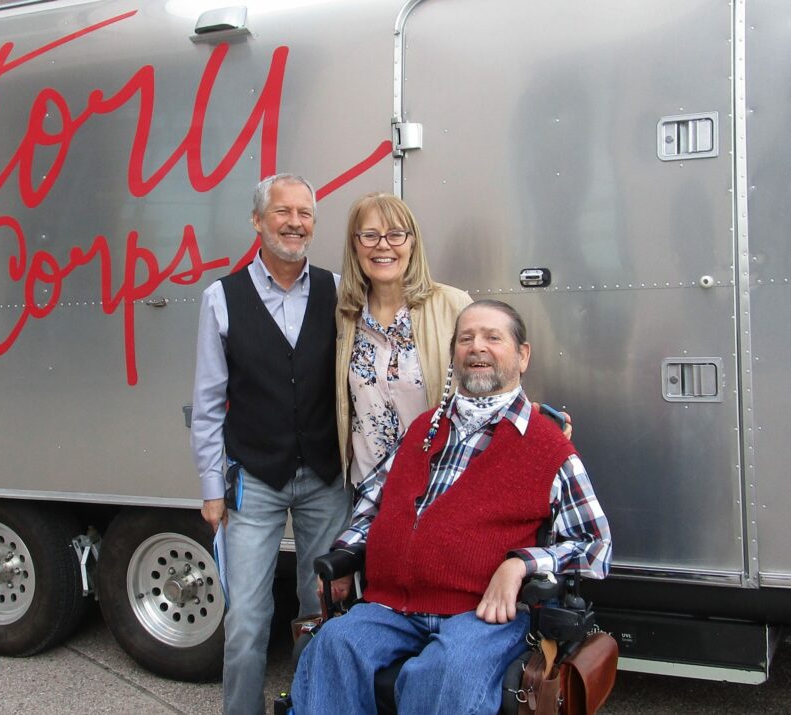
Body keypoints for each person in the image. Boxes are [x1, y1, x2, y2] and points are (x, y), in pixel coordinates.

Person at [292, 299, 612, 715]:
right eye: (466, 338)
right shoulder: (423, 428)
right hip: (392, 605)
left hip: (479, 614)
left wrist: (522, 564)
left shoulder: (547, 446)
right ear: (454, 354)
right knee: (334, 647)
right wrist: (346, 553)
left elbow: (595, 545)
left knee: (447, 671)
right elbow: (373, 504)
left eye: (492, 337)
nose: (477, 347)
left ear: (523, 355)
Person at [190, 174, 352, 714]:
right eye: (283, 212)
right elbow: (209, 403)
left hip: (325, 480)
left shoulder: (338, 291)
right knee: (246, 620)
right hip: (254, 480)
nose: (295, 223)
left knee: (323, 609)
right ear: (258, 221)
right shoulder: (223, 297)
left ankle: (309, 705)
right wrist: (213, 489)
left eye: (305, 213)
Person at [335, 193, 472, 485]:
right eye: (369, 235)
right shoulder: (345, 316)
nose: (383, 245)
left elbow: (490, 386)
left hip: (437, 487)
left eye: (396, 234)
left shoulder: (453, 306)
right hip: (370, 495)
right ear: (355, 246)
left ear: (412, 242)